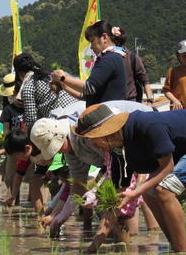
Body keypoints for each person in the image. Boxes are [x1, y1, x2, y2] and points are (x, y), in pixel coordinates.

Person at [72, 104, 186, 252]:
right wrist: (94, 246)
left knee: (164, 190)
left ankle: (181, 254)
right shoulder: (118, 151)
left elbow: (167, 166)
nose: (93, 145)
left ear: (106, 131)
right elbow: (116, 200)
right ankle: (175, 244)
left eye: (93, 139)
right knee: (149, 193)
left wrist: (135, 192)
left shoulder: (146, 126)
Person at [30, 100, 152, 237]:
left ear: (61, 136)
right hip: (121, 160)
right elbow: (78, 184)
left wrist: (96, 190)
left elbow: (117, 167)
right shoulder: (70, 150)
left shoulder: (86, 135)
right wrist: (60, 217)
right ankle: (134, 240)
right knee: (132, 196)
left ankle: (137, 241)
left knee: (137, 194)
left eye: (55, 148)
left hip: (143, 133)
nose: (57, 152)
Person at [52, 20, 128, 106]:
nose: (91, 47)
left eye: (92, 41)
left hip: (106, 116)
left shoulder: (109, 58)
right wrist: (65, 86)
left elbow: (89, 87)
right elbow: (87, 96)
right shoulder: (114, 56)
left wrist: (63, 78)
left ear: (104, 37)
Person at [13, 53, 77, 131]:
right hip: (77, 108)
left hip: (63, 119)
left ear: (19, 73)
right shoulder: (49, 74)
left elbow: (31, 120)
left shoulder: (28, 87)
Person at [112, 27, 154, 104]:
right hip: (114, 103)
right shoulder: (104, 58)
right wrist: (150, 100)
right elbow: (145, 80)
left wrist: (150, 100)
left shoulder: (132, 58)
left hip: (129, 102)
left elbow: (144, 79)